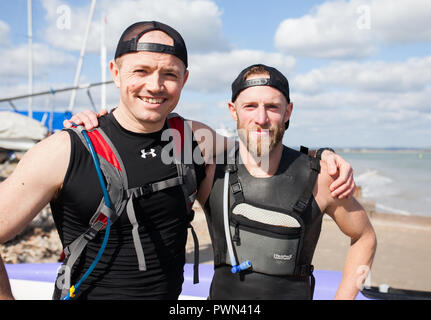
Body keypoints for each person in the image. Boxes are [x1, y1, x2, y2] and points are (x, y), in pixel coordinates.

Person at [0, 21, 354, 300]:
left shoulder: (194, 139)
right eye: (141, 71)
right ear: (115, 71)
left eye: (169, 74)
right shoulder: (66, 149)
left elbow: (259, 145)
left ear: (184, 79)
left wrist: (322, 156)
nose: (155, 85)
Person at [195, 64, 377, 300]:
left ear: (288, 111)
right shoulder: (211, 172)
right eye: (250, 106)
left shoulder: (320, 177)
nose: (261, 118)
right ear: (233, 110)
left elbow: (365, 237)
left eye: (272, 107)